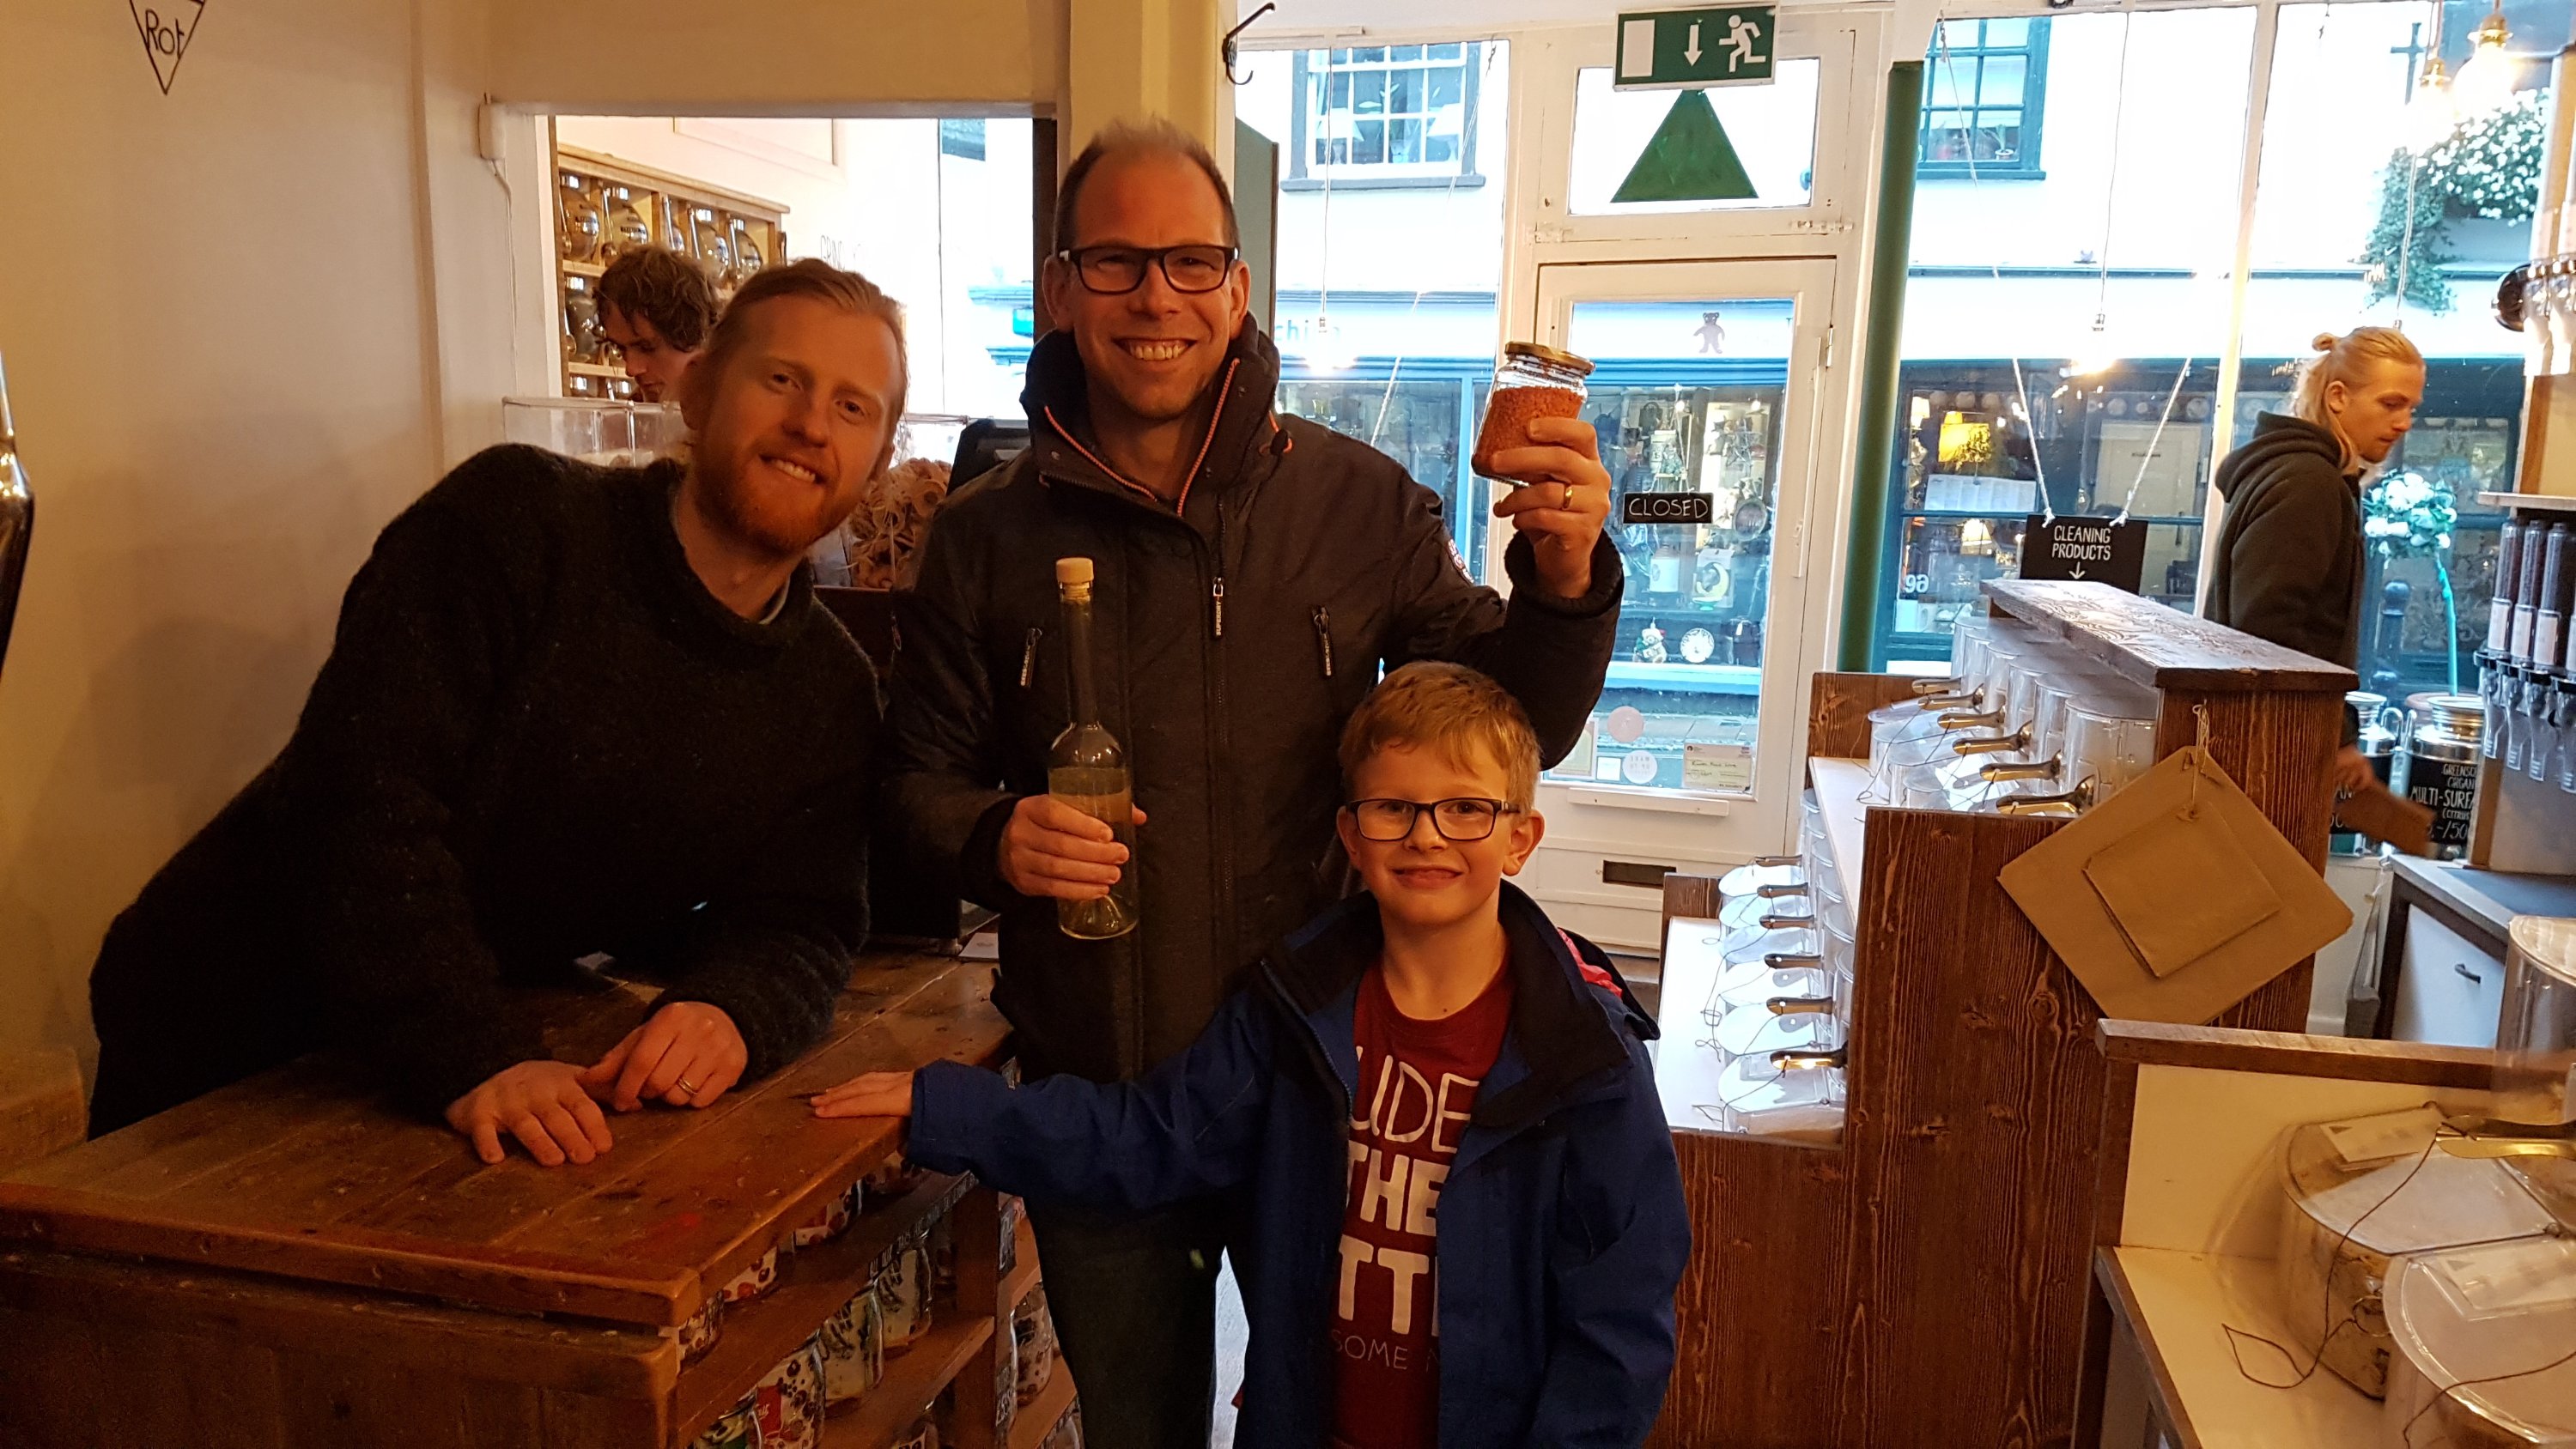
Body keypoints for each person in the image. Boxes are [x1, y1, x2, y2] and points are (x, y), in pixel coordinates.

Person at [880, 118, 1623, 1449]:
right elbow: (913, 782)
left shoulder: (1360, 505)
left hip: (1325, 1094)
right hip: (1104, 1090)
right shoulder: (984, 539)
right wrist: (995, 836)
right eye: (1115, 262)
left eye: (1190, 262)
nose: (1154, 297)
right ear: (1060, 288)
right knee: (1138, 1429)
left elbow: (1516, 731)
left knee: (1332, 1417)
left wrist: (1564, 584)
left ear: (1236, 289)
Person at [86, 260, 905, 1162]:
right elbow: (359, 802)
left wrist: (731, 1010)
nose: (810, 425)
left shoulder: (828, 686)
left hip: (449, 1061)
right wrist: (470, 1049)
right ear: (700, 392)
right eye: (782, 379)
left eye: (852, 407)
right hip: (234, 1033)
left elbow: (803, 915)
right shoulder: (518, 522)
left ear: (877, 464)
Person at [822, 662, 1688, 1449]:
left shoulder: (1586, 1060)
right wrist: (950, 1106)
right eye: (1393, 807)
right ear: (1351, 835)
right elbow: (1154, 1134)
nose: (1426, 835)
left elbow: (1619, 1320)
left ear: (1520, 838)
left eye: (1465, 808)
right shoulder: (1294, 1008)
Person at [2204, 326, 2425, 790]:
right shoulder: (2311, 483)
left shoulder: (2295, 471)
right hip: (2270, 751)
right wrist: (2336, 737)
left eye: (2411, 408)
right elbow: (2268, 632)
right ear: (2338, 396)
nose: (2404, 422)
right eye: (2391, 403)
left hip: (2247, 738)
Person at [598, 246, 720, 403]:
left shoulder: (740, 411)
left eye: (646, 347)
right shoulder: (627, 415)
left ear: (697, 336)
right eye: (621, 349)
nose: (631, 369)